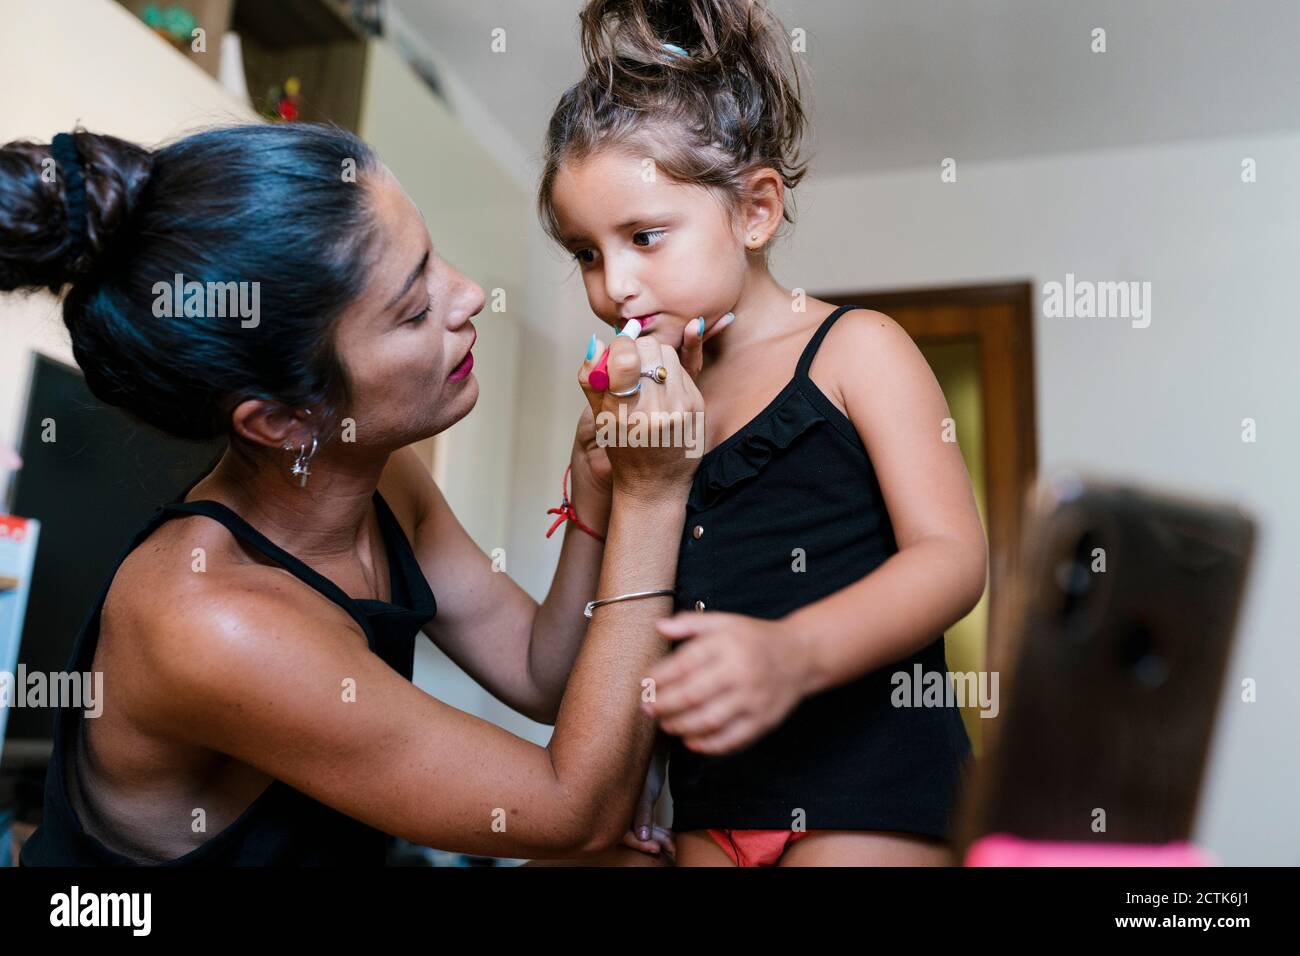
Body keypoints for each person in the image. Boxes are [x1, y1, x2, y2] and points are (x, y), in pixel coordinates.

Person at [0, 121, 704, 865]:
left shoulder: (385, 482)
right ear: (284, 418)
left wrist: (602, 487)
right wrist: (655, 502)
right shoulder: (213, 620)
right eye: (411, 308)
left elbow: (540, 671)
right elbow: (577, 812)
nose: (467, 295)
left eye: (430, 257)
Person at [537, 0, 989, 865]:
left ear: (755, 212)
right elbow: (588, 646)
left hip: (871, 792)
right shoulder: (638, 415)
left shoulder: (857, 349)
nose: (614, 285)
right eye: (586, 252)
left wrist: (794, 654)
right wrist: (601, 483)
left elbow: (952, 559)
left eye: (644, 236)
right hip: (710, 805)